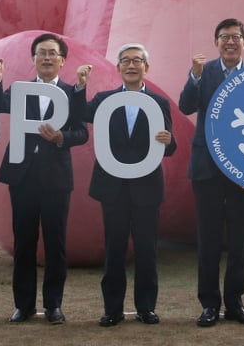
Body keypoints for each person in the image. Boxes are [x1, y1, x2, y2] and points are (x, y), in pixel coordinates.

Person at [75, 43, 177, 327]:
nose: (131, 65)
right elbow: (81, 113)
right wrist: (80, 85)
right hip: (113, 187)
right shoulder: (104, 99)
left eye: (137, 60)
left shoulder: (159, 103)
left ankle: (146, 308)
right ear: (118, 68)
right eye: (125, 61)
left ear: (146, 67)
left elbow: (168, 147)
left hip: (147, 188)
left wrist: (170, 141)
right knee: (114, 249)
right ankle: (112, 310)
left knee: (147, 250)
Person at [0, 33, 88, 325]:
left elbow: (82, 133)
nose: (47, 57)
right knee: (24, 243)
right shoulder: (18, 90)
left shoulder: (73, 93)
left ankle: (53, 306)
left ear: (62, 60)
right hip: (22, 176)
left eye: (52, 53)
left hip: (56, 180)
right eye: (41, 53)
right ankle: (23, 306)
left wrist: (62, 137)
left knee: (56, 245)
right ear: (33, 59)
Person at [178, 18, 244, 327]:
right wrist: (195, 77)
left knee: (239, 241)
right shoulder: (204, 72)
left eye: (236, 37)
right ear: (216, 43)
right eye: (225, 37)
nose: (231, 42)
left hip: (243, 169)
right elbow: (185, 106)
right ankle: (209, 305)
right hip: (206, 168)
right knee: (209, 239)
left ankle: (235, 303)